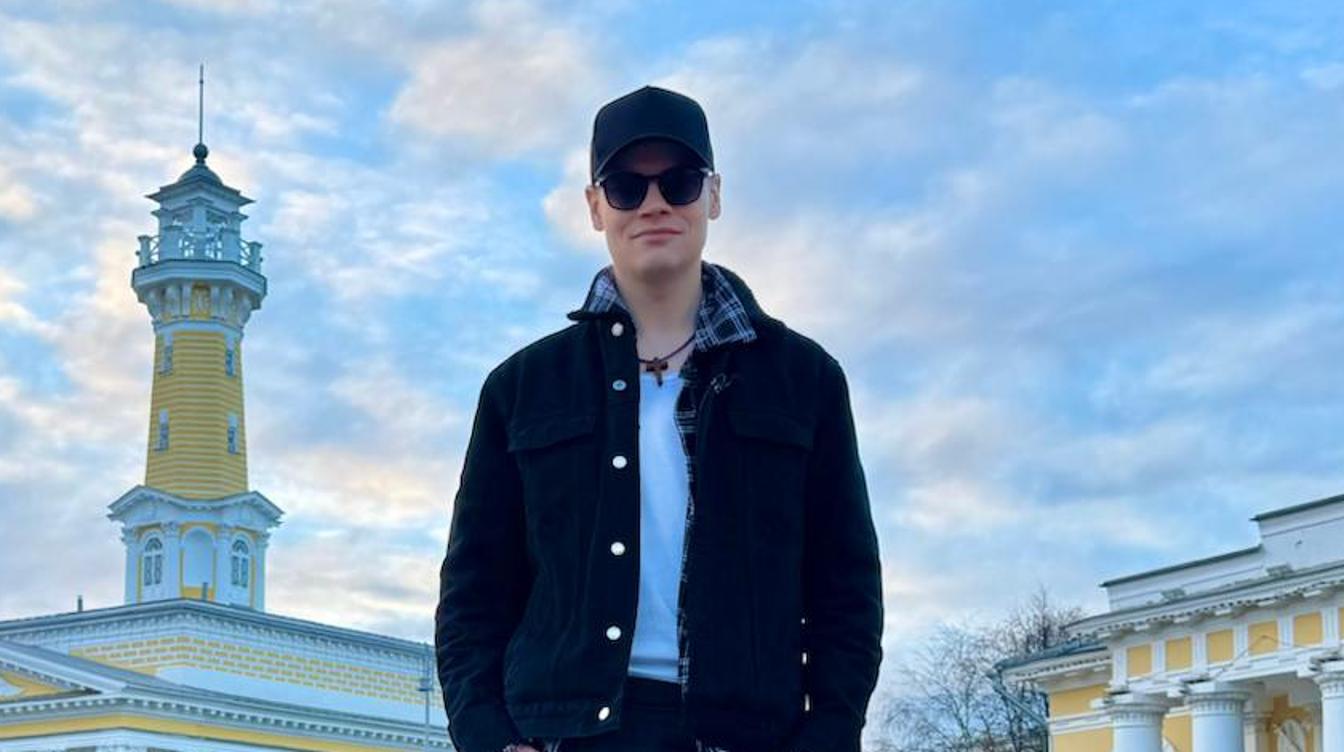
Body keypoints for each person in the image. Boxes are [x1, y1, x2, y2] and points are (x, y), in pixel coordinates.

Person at [435, 85, 883, 752]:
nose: (654, 204)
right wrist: (487, 736)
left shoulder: (804, 379)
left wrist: (829, 733)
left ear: (714, 195)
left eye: (679, 182)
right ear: (595, 206)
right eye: (625, 186)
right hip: (564, 735)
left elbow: (846, 591)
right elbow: (473, 595)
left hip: (747, 734)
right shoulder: (522, 389)